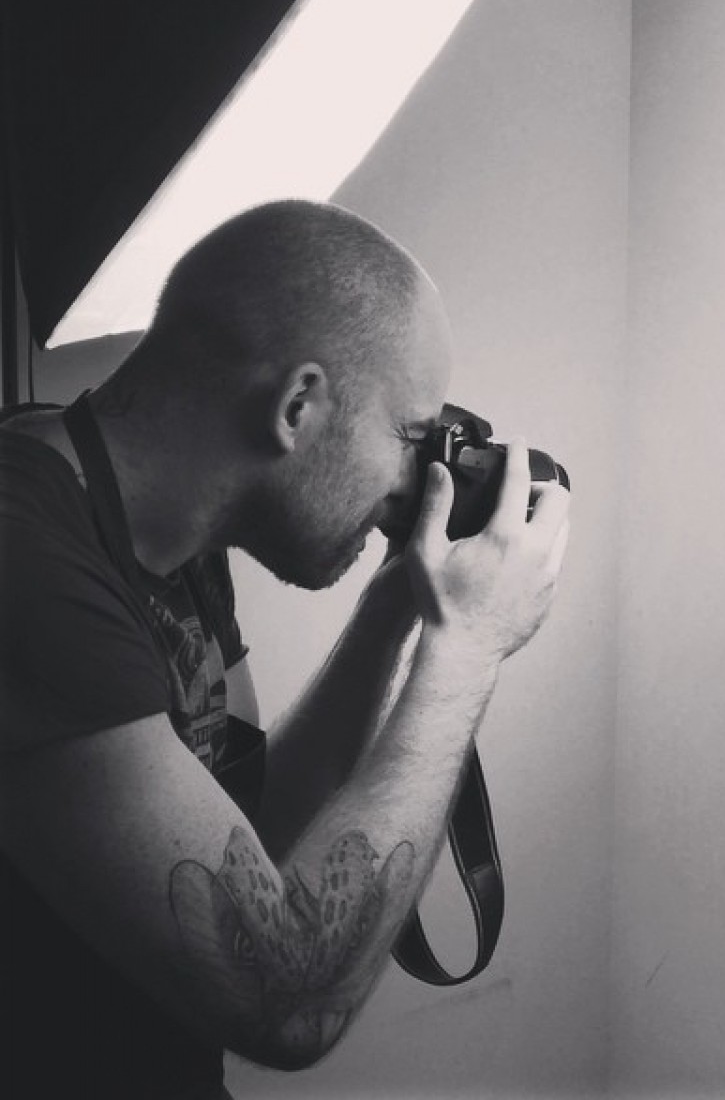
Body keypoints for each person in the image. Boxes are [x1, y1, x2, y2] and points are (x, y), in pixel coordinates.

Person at [0, 200, 571, 1099]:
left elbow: (257, 835)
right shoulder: (27, 558)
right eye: (410, 435)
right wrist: (465, 652)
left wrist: (395, 605)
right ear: (298, 405)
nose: (415, 481)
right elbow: (284, 996)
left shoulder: (167, 531)